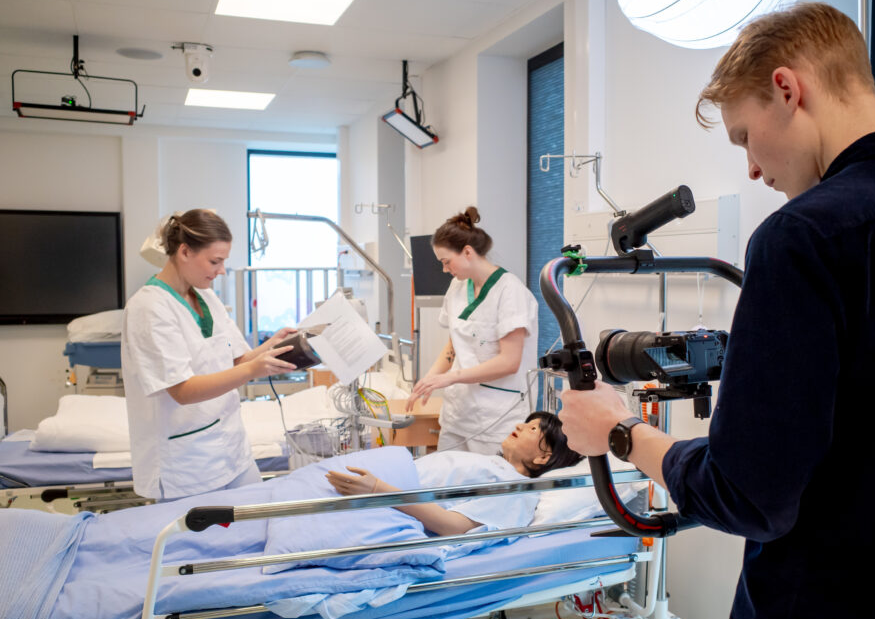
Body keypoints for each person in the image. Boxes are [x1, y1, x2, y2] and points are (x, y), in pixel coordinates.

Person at [558, 2, 875, 619]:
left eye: (744, 137)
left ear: (787, 89)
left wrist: (620, 431)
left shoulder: (802, 239)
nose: (752, 168)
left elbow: (748, 496)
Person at [122, 209, 298, 501]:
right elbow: (182, 390)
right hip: (187, 462)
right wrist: (253, 370)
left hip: (232, 448)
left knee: (261, 516)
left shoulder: (206, 296)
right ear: (184, 251)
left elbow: (236, 361)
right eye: (215, 261)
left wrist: (272, 345)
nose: (222, 270)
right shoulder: (150, 307)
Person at [408, 207, 539, 454]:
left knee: (487, 477)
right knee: (447, 474)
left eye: (446, 262)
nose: (445, 269)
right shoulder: (456, 288)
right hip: (458, 412)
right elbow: (453, 346)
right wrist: (428, 380)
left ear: (467, 252)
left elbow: (509, 362)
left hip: (497, 416)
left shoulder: (510, 292)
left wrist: (450, 377)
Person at [327, 411, 580, 535]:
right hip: (382, 481)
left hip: (381, 499)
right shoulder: (494, 465)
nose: (519, 426)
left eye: (533, 429)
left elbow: (456, 526)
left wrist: (379, 490)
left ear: (543, 457)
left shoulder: (519, 491)